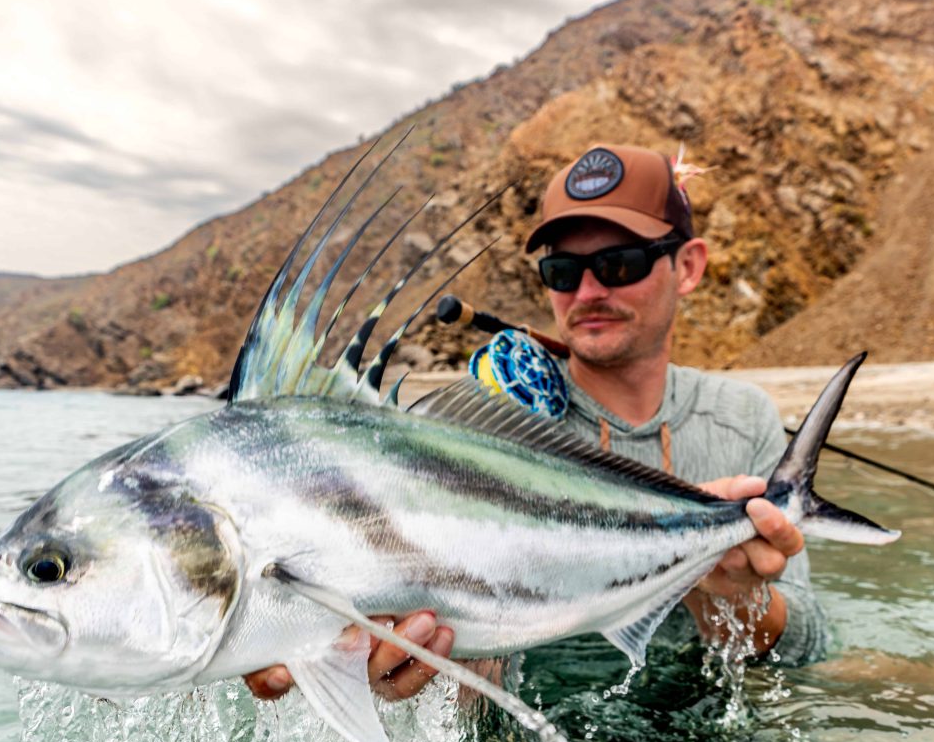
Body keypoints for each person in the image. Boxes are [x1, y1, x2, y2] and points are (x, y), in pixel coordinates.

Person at [244, 143, 824, 706]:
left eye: (619, 264)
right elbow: (471, 657)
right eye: (563, 271)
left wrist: (729, 595)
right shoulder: (478, 429)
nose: (589, 291)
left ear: (688, 265)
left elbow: (809, 649)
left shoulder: (741, 417)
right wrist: (394, 668)